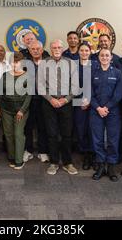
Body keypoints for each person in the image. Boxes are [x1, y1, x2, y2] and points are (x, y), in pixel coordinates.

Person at [38, 39, 78, 176]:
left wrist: (65, 100)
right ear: (50, 48)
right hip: (49, 103)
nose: (56, 49)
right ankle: (54, 162)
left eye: (59, 47)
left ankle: (68, 163)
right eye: (54, 47)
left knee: (67, 134)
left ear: (62, 49)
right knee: (52, 134)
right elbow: (40, 86)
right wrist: (51, 99)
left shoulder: (71, 63)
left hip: (66, 103)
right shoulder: (43, 63)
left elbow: (75, 86)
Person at [90, 48, 122, 181]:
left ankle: (111, 167)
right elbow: (89, 93)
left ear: (111, 58)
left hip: (112, 111)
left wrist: (106, 107)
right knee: (97, 139)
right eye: (102, 55)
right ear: (98, 57)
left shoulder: (117, 73)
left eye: (107, 55)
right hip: (95, 110)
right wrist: (98, 108)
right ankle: (100, 165)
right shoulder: (92, 73)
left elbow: (118, 94)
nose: (104, 57)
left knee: (112, 140)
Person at [0, 52, 32, 169]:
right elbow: (0, 93)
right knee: (8, 134)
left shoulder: (27, 76)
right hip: (6, 109)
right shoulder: (5, 75)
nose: (14, 65)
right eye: (12, 62)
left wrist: (22, 110)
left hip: (21, 110)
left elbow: (29, 96)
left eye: (17, 62)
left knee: (18, 134)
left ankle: (19, 160)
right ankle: (11, 157)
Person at [23, 40, 49, 163]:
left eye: (38, 48)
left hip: (44, 99)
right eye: (33, 49)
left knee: (42, 126)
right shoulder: (24, 63)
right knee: (28, 127)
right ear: (29, 50)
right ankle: (28, 150)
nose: (35, 51)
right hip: (29, 99)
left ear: (42, 50)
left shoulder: (49, 62)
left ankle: (42, 151)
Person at [75, 42, 94, 170]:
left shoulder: (96, 65)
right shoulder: (73, 66)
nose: (84, 53)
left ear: (90, 51)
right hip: (78, 103)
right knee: (81, 130)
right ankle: (85, 154)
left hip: (93, 104)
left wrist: (89, 101)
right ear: (78, 52)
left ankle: (92, 155)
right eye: (82, 50)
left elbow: (97, 86)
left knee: (92, 130)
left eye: (86, 50)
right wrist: (80, 101)